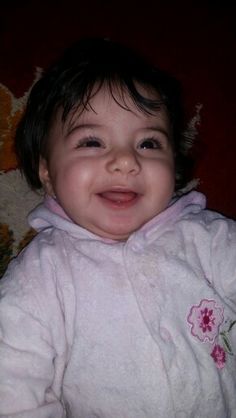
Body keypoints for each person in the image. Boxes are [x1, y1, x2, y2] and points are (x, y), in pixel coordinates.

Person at [0, 37, 235, 418]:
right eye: (92, 141)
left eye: (148, 143)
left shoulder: (211, 240)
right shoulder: (40, 277)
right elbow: (11, 384)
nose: (125, 161)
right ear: (46, 170)